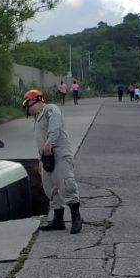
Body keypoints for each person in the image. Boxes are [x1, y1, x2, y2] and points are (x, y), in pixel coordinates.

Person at [22, 89, 83, 233]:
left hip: (59, 154)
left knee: (65, 183)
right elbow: (40, 143)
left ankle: (76, 217)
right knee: (51, 188)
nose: (28, 109)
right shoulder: (38, 119)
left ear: (35, 101)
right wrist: (40, 161)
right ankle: (58, 220)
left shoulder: (50, 109)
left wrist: (50, 143)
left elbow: (54, 128)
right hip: (46, 157)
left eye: (28, 105)